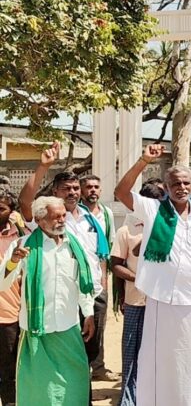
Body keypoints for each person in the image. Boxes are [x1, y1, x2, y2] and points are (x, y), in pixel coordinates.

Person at [114, 144, 191, 406]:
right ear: (166, 187)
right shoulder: (154, 209)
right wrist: (144, 160)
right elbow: (121, 192)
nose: (182, 187)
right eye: (176, 183)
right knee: (159, 357)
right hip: (160, 297)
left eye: (186, 183)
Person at [18, 143, 109, 396]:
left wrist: (99, 292)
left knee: (87, 358)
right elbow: (24, 201)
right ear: (55, 192)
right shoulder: (44, 222)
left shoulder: (94, 217)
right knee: (60, 366)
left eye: (75, 188)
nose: (73, 192)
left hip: (91, 295)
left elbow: (99, 256)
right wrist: (44, 165)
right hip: (54, 305)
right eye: (66, 189)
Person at [0, 196, 95, 405]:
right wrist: (13, 261)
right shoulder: (23, 245)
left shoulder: (74, 245)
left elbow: (83, 284)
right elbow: (2, 284)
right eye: (56, 217)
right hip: (37, 330)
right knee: (39, 389)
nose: (62, 220)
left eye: (63, 215)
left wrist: (88, 313)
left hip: (69, 326)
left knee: (75, 381)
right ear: (39, 220)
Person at [110, 181, 165, 406]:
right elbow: (116, 264)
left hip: (163, 301)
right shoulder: (126, 230)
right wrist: (139, 280)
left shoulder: (168, 228)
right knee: (132, 349)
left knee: (158, 350)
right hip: (136, 299)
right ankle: (129, 398)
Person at [78, 174, 119, 382]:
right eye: (88, 187)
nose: (92, 190)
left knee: (99, 322)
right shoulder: (75, 214)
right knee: (80, 322)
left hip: (100, 275)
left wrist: (104, 279)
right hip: (79, 278)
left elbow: (108, 247)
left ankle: (98, 367)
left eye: (96, 187)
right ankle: (80, 368)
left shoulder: (106, 213)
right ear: (81, 190)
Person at [0, 188, 23, 404]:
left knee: (9, 371)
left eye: (1, 208)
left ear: (12, 211)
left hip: (9, 314)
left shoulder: (21, 239)